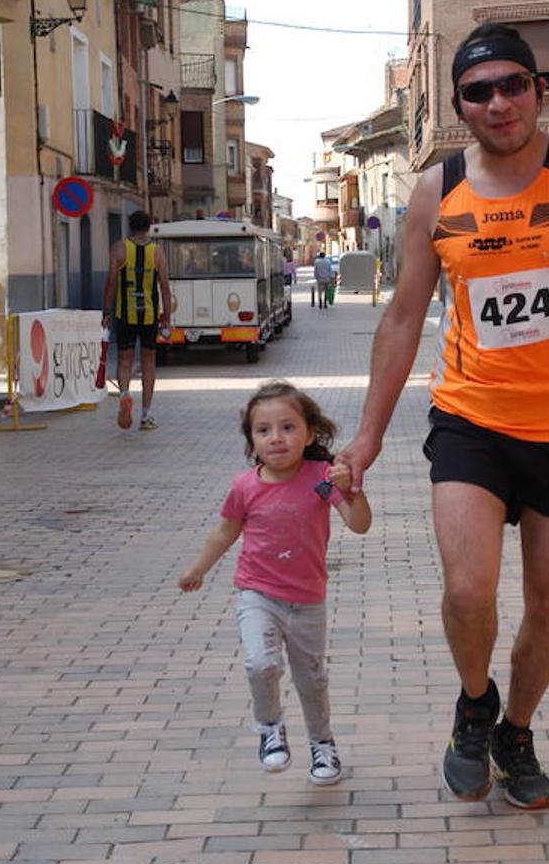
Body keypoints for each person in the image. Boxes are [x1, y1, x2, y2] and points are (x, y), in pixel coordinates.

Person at [334, 22, 549, 810]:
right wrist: (368, 435)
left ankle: (515, 730)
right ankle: (473, 702)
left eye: (512, 85)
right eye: (478, 91)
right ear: (457, 106)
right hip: (469, 417)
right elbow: (399, 319)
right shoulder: (436, 191)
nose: (497, 103)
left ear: (537, 90)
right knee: (467, 590)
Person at [178, 381, 372, 785]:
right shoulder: (245, 487)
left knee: (311, 677)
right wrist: (198, 568)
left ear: (309, 434)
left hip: (307, 600)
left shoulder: (321, 478)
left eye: (287, 427)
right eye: (263, 430)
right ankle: (269, 729)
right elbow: (224, 533)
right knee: (260, 663)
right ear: (252, 440)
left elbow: (358, 525)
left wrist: (352, 491)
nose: (276, 438)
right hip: (258, 594)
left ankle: (323, 744)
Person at [102, 211, 173, 431]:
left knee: (125, 360)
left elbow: (111, 283)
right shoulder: (157, 252)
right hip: (149, 315)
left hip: (126, 314)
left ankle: (124, 395)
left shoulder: (119, 249)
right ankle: (146, 415)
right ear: (149, 227)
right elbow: (164, 287)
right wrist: (166, 318)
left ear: (129, 226)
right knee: (149, 364)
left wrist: (106, 312)